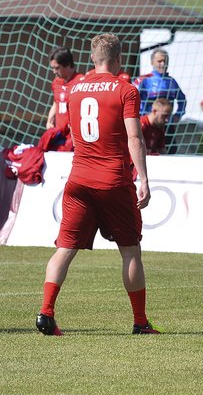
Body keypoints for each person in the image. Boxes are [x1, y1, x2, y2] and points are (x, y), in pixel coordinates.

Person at [36, 33, 158, 336]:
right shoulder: (126, 90)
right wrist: (143, 178)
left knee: (64, 249)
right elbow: (134, 137)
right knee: (130, 251)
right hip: (113, 179)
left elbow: (74, 136)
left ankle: (46, 313)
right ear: (118, 59)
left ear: (92, 58)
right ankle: (140, 322)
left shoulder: (75, 89)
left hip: (78, 177)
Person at [134, 48, 186, 122]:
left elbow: (182, 100)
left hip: (167, 125)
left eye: (165, 61)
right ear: (152, 63)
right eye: (159, 61)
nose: (163, 64)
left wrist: (178, 115)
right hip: (148, 125)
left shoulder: (172, 81)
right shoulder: (143, 80)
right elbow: (131, 100)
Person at [46, 46, 85, 136]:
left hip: (75, 136)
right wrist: (49, 121)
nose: (54, 72)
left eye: (57, 68)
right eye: (53, 68)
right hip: (59, 134)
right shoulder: (56, 82)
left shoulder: (81, 82)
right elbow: (56, 103)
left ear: (67, 64)